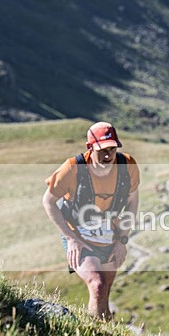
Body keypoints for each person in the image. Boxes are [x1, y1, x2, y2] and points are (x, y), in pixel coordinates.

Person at [42, 122, 140, 320]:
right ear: (90, 148)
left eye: (112, 149)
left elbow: (132, 202)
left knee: (104, 294)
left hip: (110, 236)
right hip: (78, 235)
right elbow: (48, 201)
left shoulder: (127, 165)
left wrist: (122, 241)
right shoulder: (72, 168)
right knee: (97, 284)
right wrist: (71, 239)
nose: (108, 155)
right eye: (102, 150)